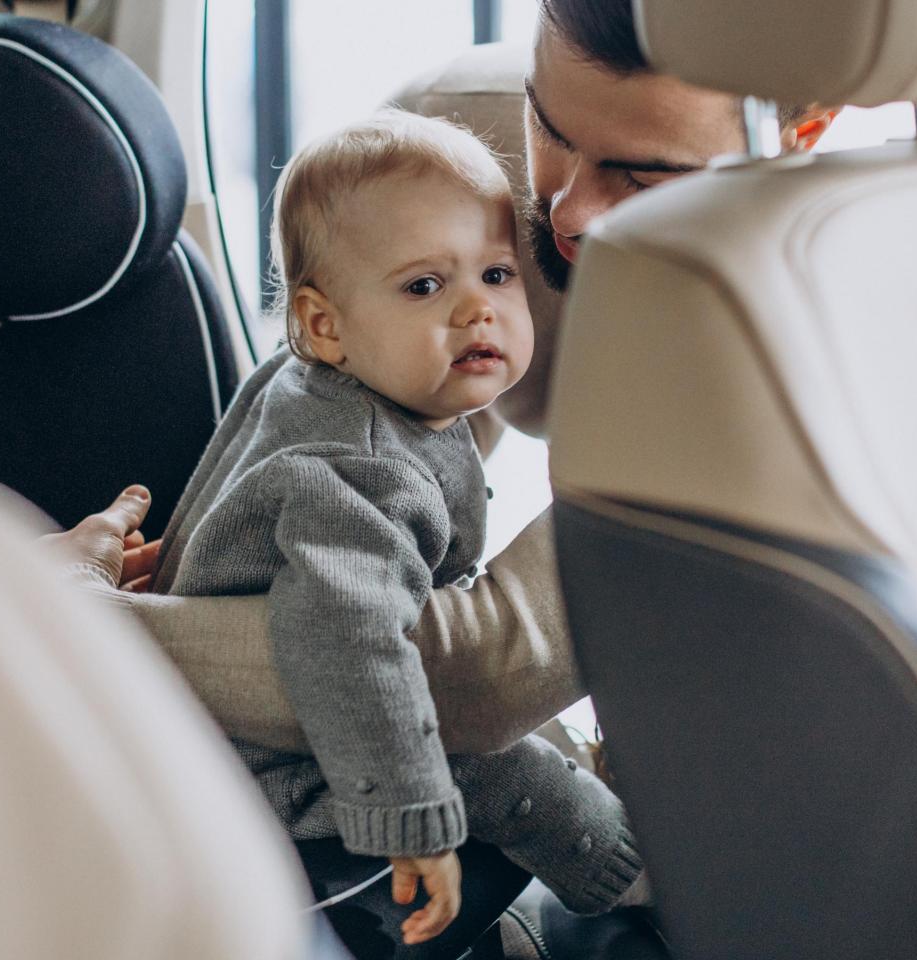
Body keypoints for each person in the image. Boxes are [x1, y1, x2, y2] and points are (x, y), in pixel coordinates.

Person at [50, 0, 839, 759]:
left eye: (641, 175)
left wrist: (64, 621)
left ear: (797, 138)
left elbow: (477, 675)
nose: (567, 211)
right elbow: (357, 455)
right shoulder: (448, 147)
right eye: (550, 127)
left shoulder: (798, 333)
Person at [152, 111, 646, 949]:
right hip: (278, 768)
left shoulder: (312, 380)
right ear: (325, 326)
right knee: (513, 773)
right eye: (424, 287)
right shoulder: (359, 469)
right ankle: (627, 878)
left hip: (266, 727)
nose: (477, 310)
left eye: (496, 273)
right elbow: (348, 641)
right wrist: (410, 819)